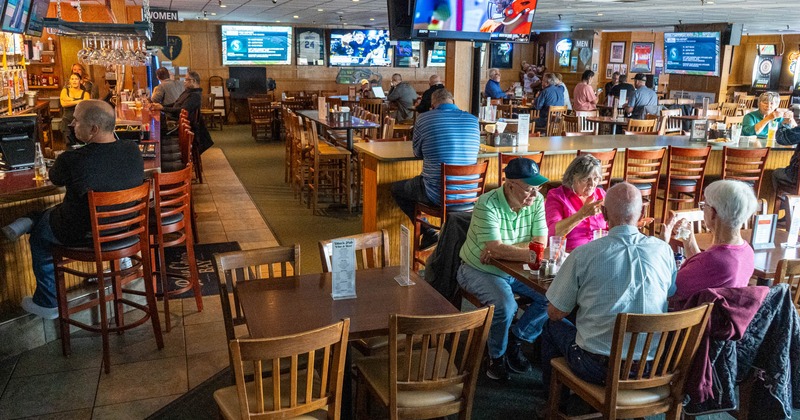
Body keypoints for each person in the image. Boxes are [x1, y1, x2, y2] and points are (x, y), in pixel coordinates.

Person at [1, 100, 144, 319]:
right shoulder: (133, 150)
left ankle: (47, 302)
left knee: (40, 236)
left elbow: (55, 178)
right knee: (57, 212)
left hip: (81, 234)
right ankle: (29, 220)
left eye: (77, 121)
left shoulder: (72, 159)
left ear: (93, 129)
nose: (72, 124)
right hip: (125, 232)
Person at [541, 182, 676, 390]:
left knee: (551, 326)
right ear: (641, 215)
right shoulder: (664, 250)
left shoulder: (584, 254)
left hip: (599, 368)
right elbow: (670, 294)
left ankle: (555, 403)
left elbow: (556, 312)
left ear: (603, 213)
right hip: (654, 365)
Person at [457, 157, 551, 381]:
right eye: (529, 189)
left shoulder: (536, 202)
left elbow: (540, 243)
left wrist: (505, 250)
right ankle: (496, 356)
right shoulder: (486, 204)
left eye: (537, 188)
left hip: (516, 269)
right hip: (478, 268)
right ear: (510, 186)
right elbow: (497, 250)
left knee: (555, 296)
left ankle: (517, 337)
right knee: (506, 306)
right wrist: (525, 251)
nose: (535, 195)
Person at [391, 89, 479, 249]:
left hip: (436, 194)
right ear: (453, 101)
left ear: (433, 105)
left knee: (396, 189)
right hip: (470, 194)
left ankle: (428, 230)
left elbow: (417, 153)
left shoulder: (424, 118)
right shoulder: (473, 120)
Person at [660, 180, 757, 307]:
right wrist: (688, 239)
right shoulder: (746, 251)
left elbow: (667, 290)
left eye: (704, 205)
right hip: (721, 322)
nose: (703, 210)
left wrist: (661, 246)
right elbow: (703, 271)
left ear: (713, 213)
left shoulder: (714, 262)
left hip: (691, 325)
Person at [545, 154, 606, 252]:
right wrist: (582, 215)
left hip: (599, 253)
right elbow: (553, 233)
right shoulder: (557, 196)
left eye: (595, 179)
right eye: (586, 179)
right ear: (573, 178)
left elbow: (613, 227)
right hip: (571, 255)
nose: (592, 184)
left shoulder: (601, 195)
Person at [60, 73, 91, 147]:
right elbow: (63, 104)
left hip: (81, 122)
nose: (74, 81)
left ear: (80, 81)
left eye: (76, 79)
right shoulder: (65, 91)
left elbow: (86, 105)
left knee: (82, 145)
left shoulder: (85, 93)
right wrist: (79, 101)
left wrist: (70, 100)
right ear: (69, 81)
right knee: (69, 145)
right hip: (67, 121)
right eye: (72, 79)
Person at [773, 124, 800, 191]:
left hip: (795, 177)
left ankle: (785, 200)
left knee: (775, 173)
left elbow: (781, 138)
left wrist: (786, 124)